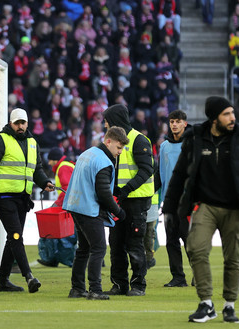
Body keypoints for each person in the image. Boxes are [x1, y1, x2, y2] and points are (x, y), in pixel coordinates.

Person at [163, 96, 239, 323]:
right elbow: (180, 174)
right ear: (214, 118)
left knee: (233, 259)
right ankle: (206, 304)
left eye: (232, 113)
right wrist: (170, 209)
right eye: (226, 114)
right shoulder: (195, 137)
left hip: (235, 209)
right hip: (205, 206)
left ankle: (229, 305)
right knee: (196, 248)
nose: (233, 118)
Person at [0, 108, 54, 293]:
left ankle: (3, 281)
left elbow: (37, 169)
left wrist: (45, 183)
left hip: (22, 198)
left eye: (23, 122)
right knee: (17, 236)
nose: (20, 126)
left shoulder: (33, 142)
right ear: (11, 123)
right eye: (17, 122)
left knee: (13, 238)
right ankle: (29, 276)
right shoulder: (0, 140)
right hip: (3, 198)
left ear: (27, 123)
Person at [63, 127, 129, 300]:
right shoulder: (104, 162)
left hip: (75, 205)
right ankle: (95, 290)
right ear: (108, 142)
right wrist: (118, 212)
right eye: (118, 147)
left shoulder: (87, 153)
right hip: (89, 209)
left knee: (83, 249)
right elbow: (103, 193)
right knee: (98, 248)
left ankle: (77, 288)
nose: (119, 152)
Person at [103, 104, 154, 297]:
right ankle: (119, 284)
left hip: (136, 200)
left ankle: (138, 285)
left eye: (107, 121)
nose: (105, 124)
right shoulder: (111, 140)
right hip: (118, 200)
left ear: (115, 120)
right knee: (115, 243)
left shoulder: (138, 140)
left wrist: (127, 189)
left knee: (134, 242)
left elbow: (147, 169)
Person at [157, 109, 190, 287]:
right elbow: (162, 174)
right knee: (171, 241)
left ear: (185, 123)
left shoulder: (193, 144)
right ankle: (178, 277)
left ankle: (199, 274)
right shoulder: (164, 146)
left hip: (188, 202)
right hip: (170, 202)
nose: (174, 125)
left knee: (189, 240)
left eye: (178, 121)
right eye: (172, 122)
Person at [37, 147, 77, 268]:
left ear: (55, 160)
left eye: (50, 160)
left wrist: (57, 205)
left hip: (68, 204)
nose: (49, 163)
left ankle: (51, 258)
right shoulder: (68, 165)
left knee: (53, 229)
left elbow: (67, 188)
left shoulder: (63, 168)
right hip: (75, 204)